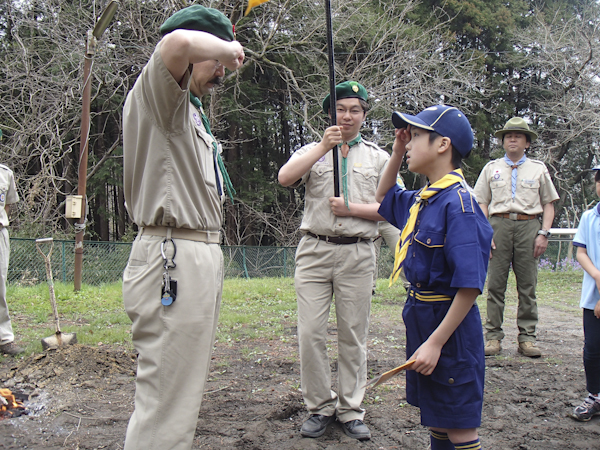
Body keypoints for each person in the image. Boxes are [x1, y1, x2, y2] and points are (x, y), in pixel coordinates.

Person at [121, 6, 244, 450]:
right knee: (167, 401)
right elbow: (174, 45)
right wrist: (228, 47)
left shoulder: (188, 110)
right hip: (172, 256)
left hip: (194, 254)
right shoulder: (159, 92)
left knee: (179, 396)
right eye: (216, 62)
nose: (222, 72)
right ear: (199, 48)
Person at [376, 105, 493, 450]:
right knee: (438, 418)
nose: (408, 143)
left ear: (442, 144)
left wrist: (436, 342)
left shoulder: (460, 205)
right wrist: (397, 152)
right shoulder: (424, 200)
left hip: (450, 331)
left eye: (414, 137)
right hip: (423, 319)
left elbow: (469, 286)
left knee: (458, 426)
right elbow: (383, 197)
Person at [278, 81, 390, 441]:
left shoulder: (378, 158)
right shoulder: (312, 150)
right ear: (330, 113)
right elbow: (285, 178)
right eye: (340, 109)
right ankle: (319, 407)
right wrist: (323, 147)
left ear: (364, 115)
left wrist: (407, 255)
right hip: (314, 251)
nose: (347, 115)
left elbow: (390, 210)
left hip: (358, 253)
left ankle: (351, 409)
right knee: (310, 333)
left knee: (352, 336)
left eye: (354, 109)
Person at [474, 117, 559, 358]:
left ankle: (527, 337)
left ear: (527, 143)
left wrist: (543, 233)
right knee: (495, 286)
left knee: (527, 286)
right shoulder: (491, 168)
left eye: (518, 136)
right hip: (498, 225)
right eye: (508, 135)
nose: (512, 139)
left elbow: (548, 204)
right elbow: (482, 202)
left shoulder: (538, 168)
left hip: (528, 226)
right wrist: (485, 232)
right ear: (503, 141)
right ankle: (493, 337)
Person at [570, 165, 600, 421]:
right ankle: (594, 396)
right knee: (592, 348)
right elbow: (581, 252)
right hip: (592, 297)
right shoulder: (589, 217)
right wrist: (598, 277)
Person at [0, 155, 22, 356]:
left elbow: (7, 206)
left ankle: (4, 339)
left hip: (0, 233)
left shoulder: (5, 174)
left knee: (0, 286)